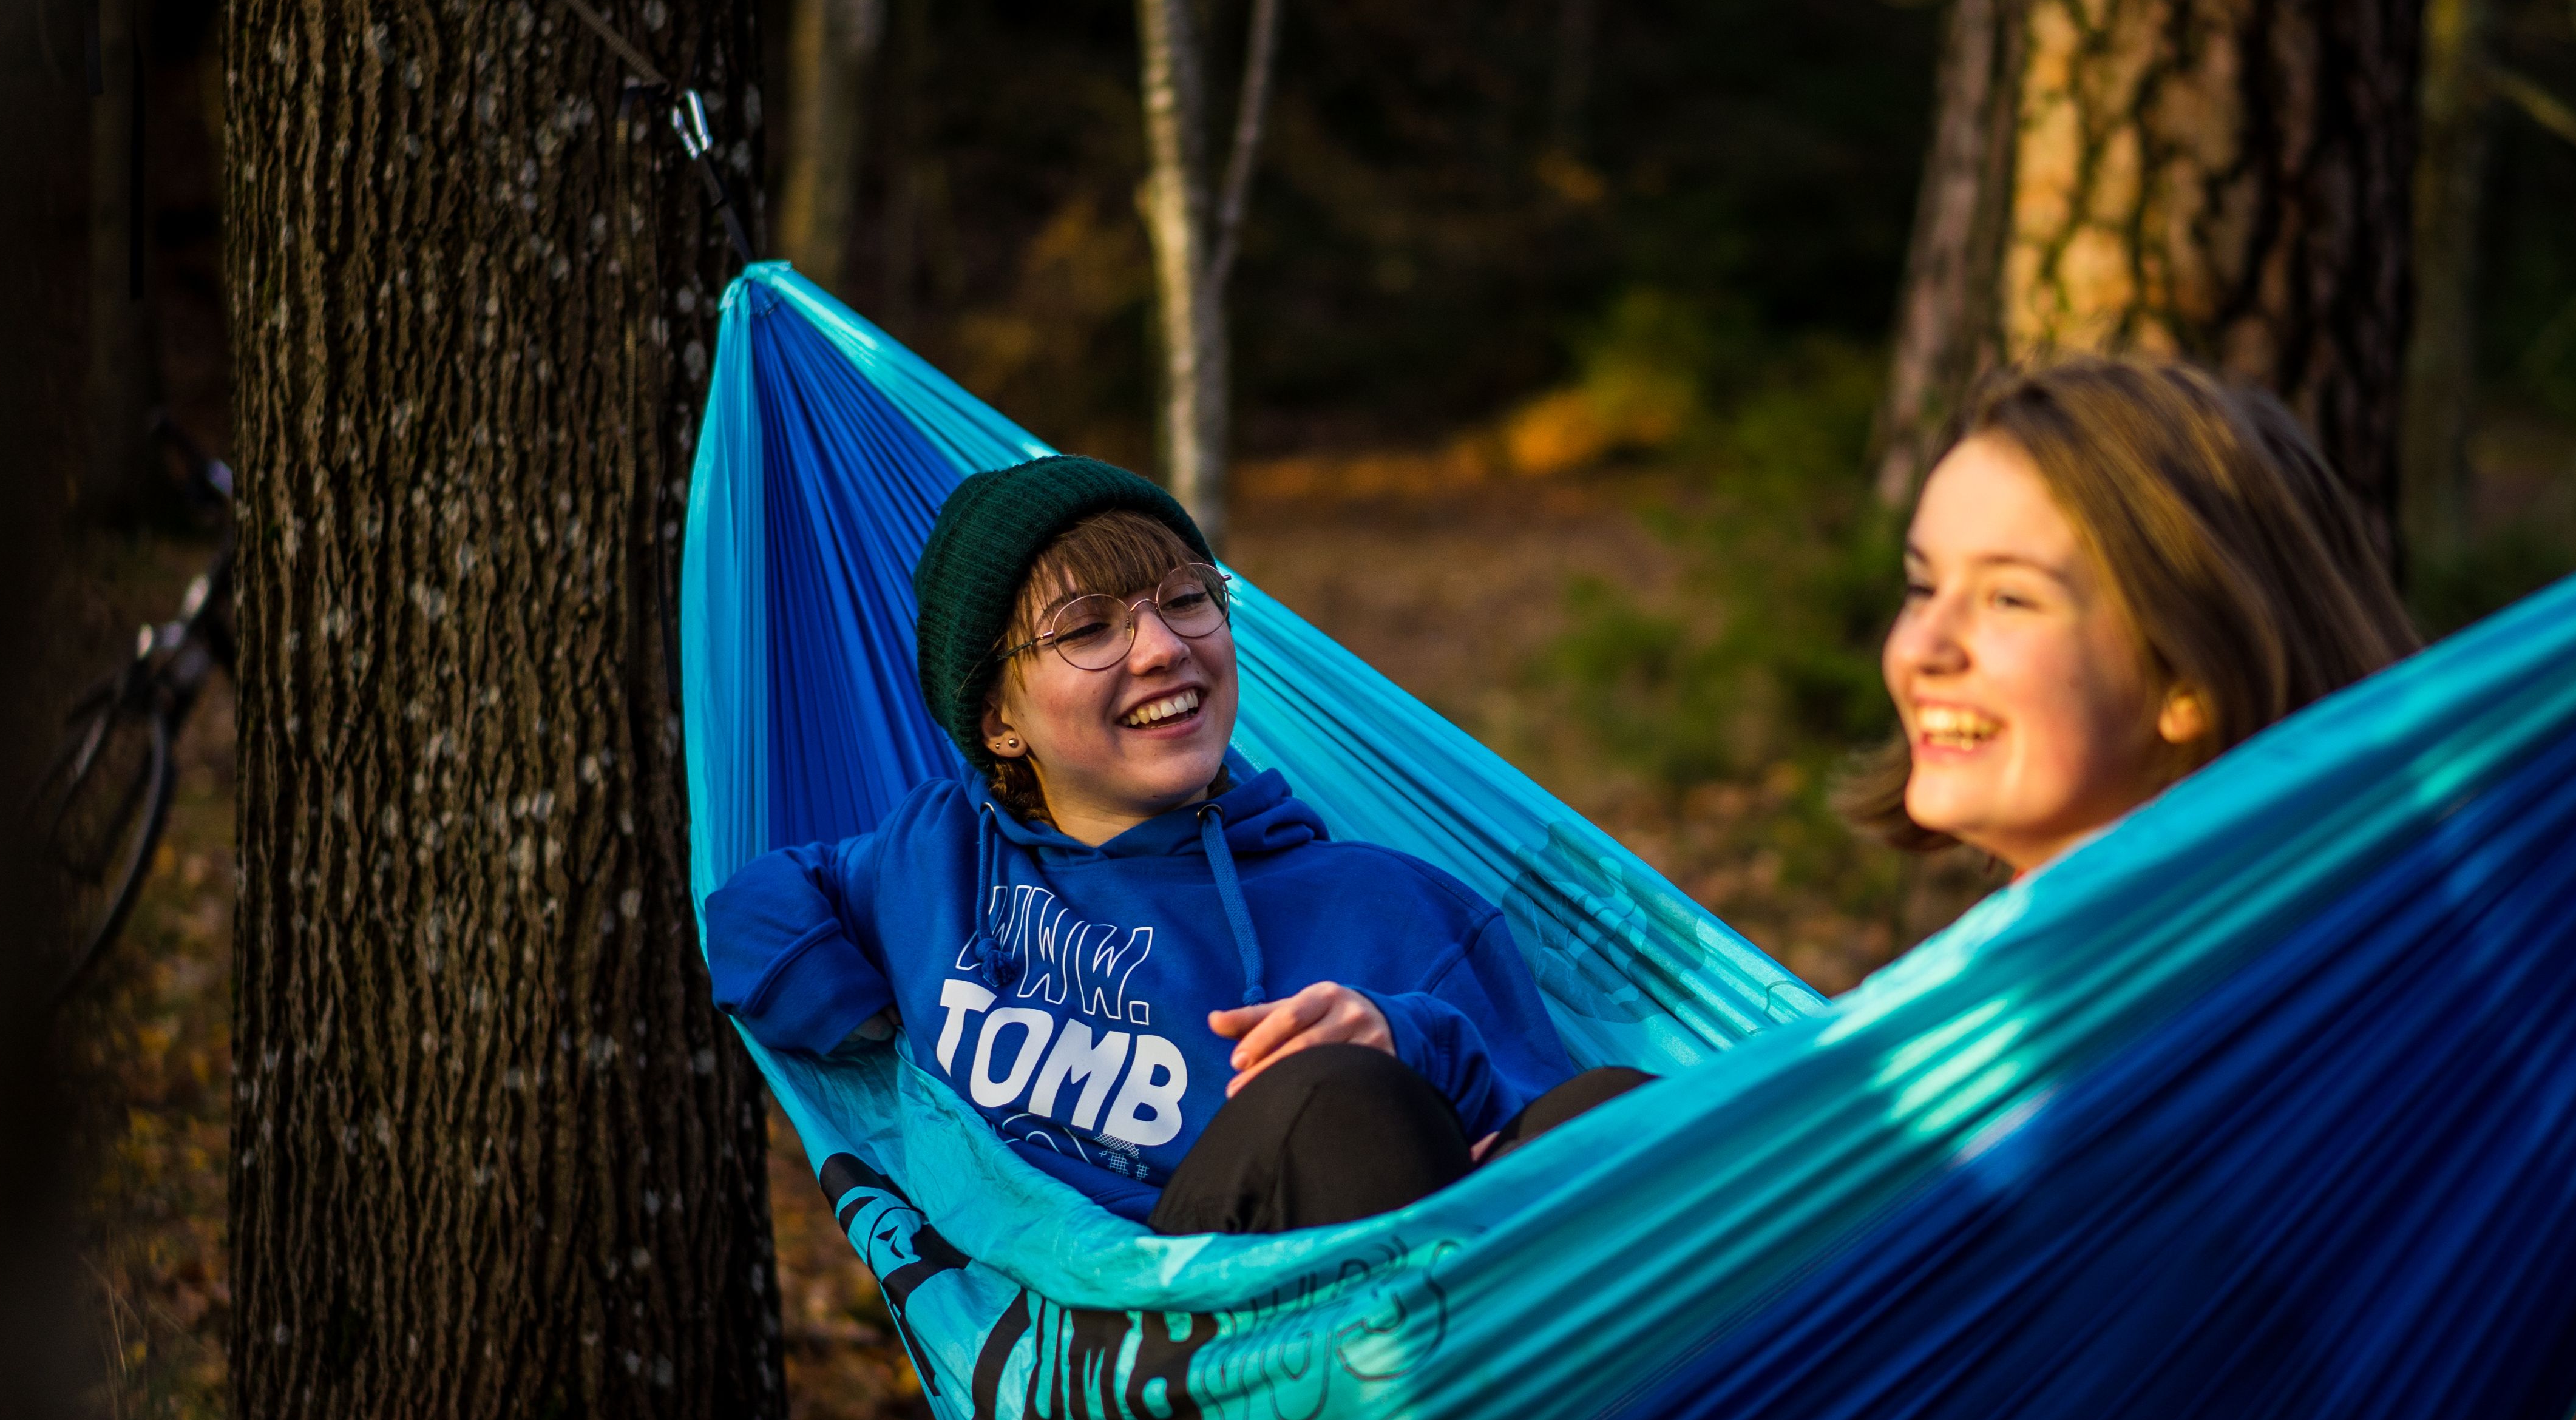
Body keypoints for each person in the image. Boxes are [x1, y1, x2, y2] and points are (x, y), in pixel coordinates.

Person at [704, 456, 1641, 1236]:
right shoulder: (935, 862)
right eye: (1089, 629)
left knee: (1630, 1117)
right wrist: (880, 1037)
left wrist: (1408, 1040)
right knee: (1337, 1104)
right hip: (1134, 1355)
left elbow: (1536, 1133)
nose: (1162, 647)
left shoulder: (1392, 906)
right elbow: (752, 907)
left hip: (1387, 1321)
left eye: (1186, 599)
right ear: (997, 720)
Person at [1849, 355, 2421, 874]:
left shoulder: (2229, 978)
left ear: (2188, 681)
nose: (1921, 649)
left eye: (2009, 599)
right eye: (1923, 588)